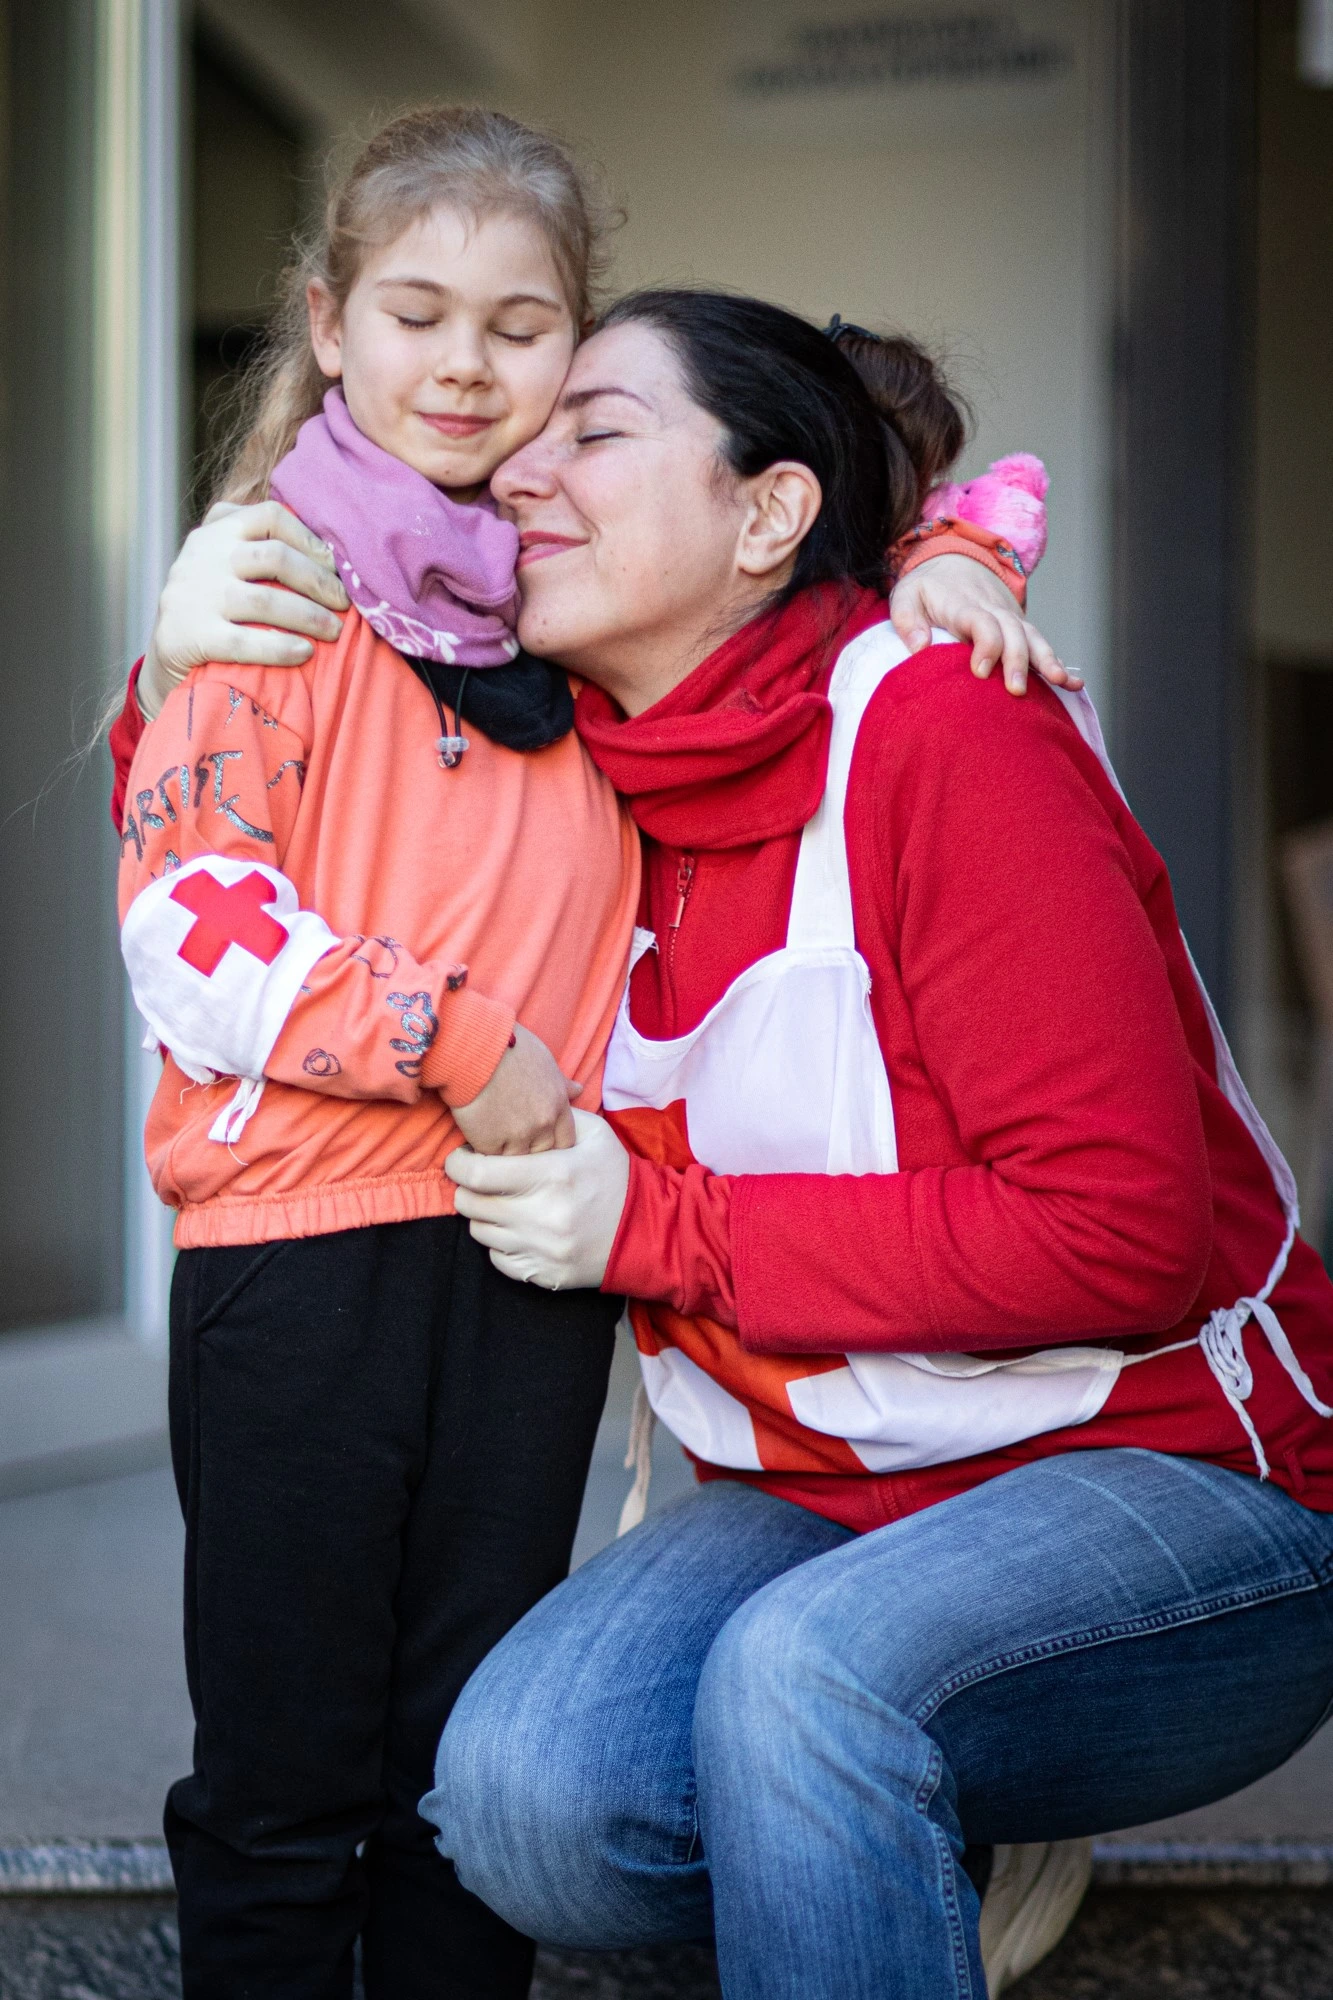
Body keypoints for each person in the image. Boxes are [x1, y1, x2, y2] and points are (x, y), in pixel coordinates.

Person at [110, 110, 1067, 2000]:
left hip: (528, 1257)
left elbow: (829, 437)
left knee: (460, 1770)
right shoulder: (270, 594)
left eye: (522, 325)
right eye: (415, 312)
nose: (464, 361)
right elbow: (188, 930)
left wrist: (952, 548)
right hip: (300, 1253)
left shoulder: (570, 606)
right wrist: (464, 1046)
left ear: (576, 358)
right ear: (326, 324)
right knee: (291, 1773)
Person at [366, 291, 1333, 2000]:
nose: (527, 472)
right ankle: (917, 1806)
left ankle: (895, 1750)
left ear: (767, 515)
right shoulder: (575, 786)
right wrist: (204, 614)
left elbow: (1122, 1235)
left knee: (810, 1682)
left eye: (595, 429)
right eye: (529, 441)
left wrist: (659, 1231)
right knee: (527, 1801)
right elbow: (263, 779)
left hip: (1192, 1483)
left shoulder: (949, 730)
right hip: (831, 1499)